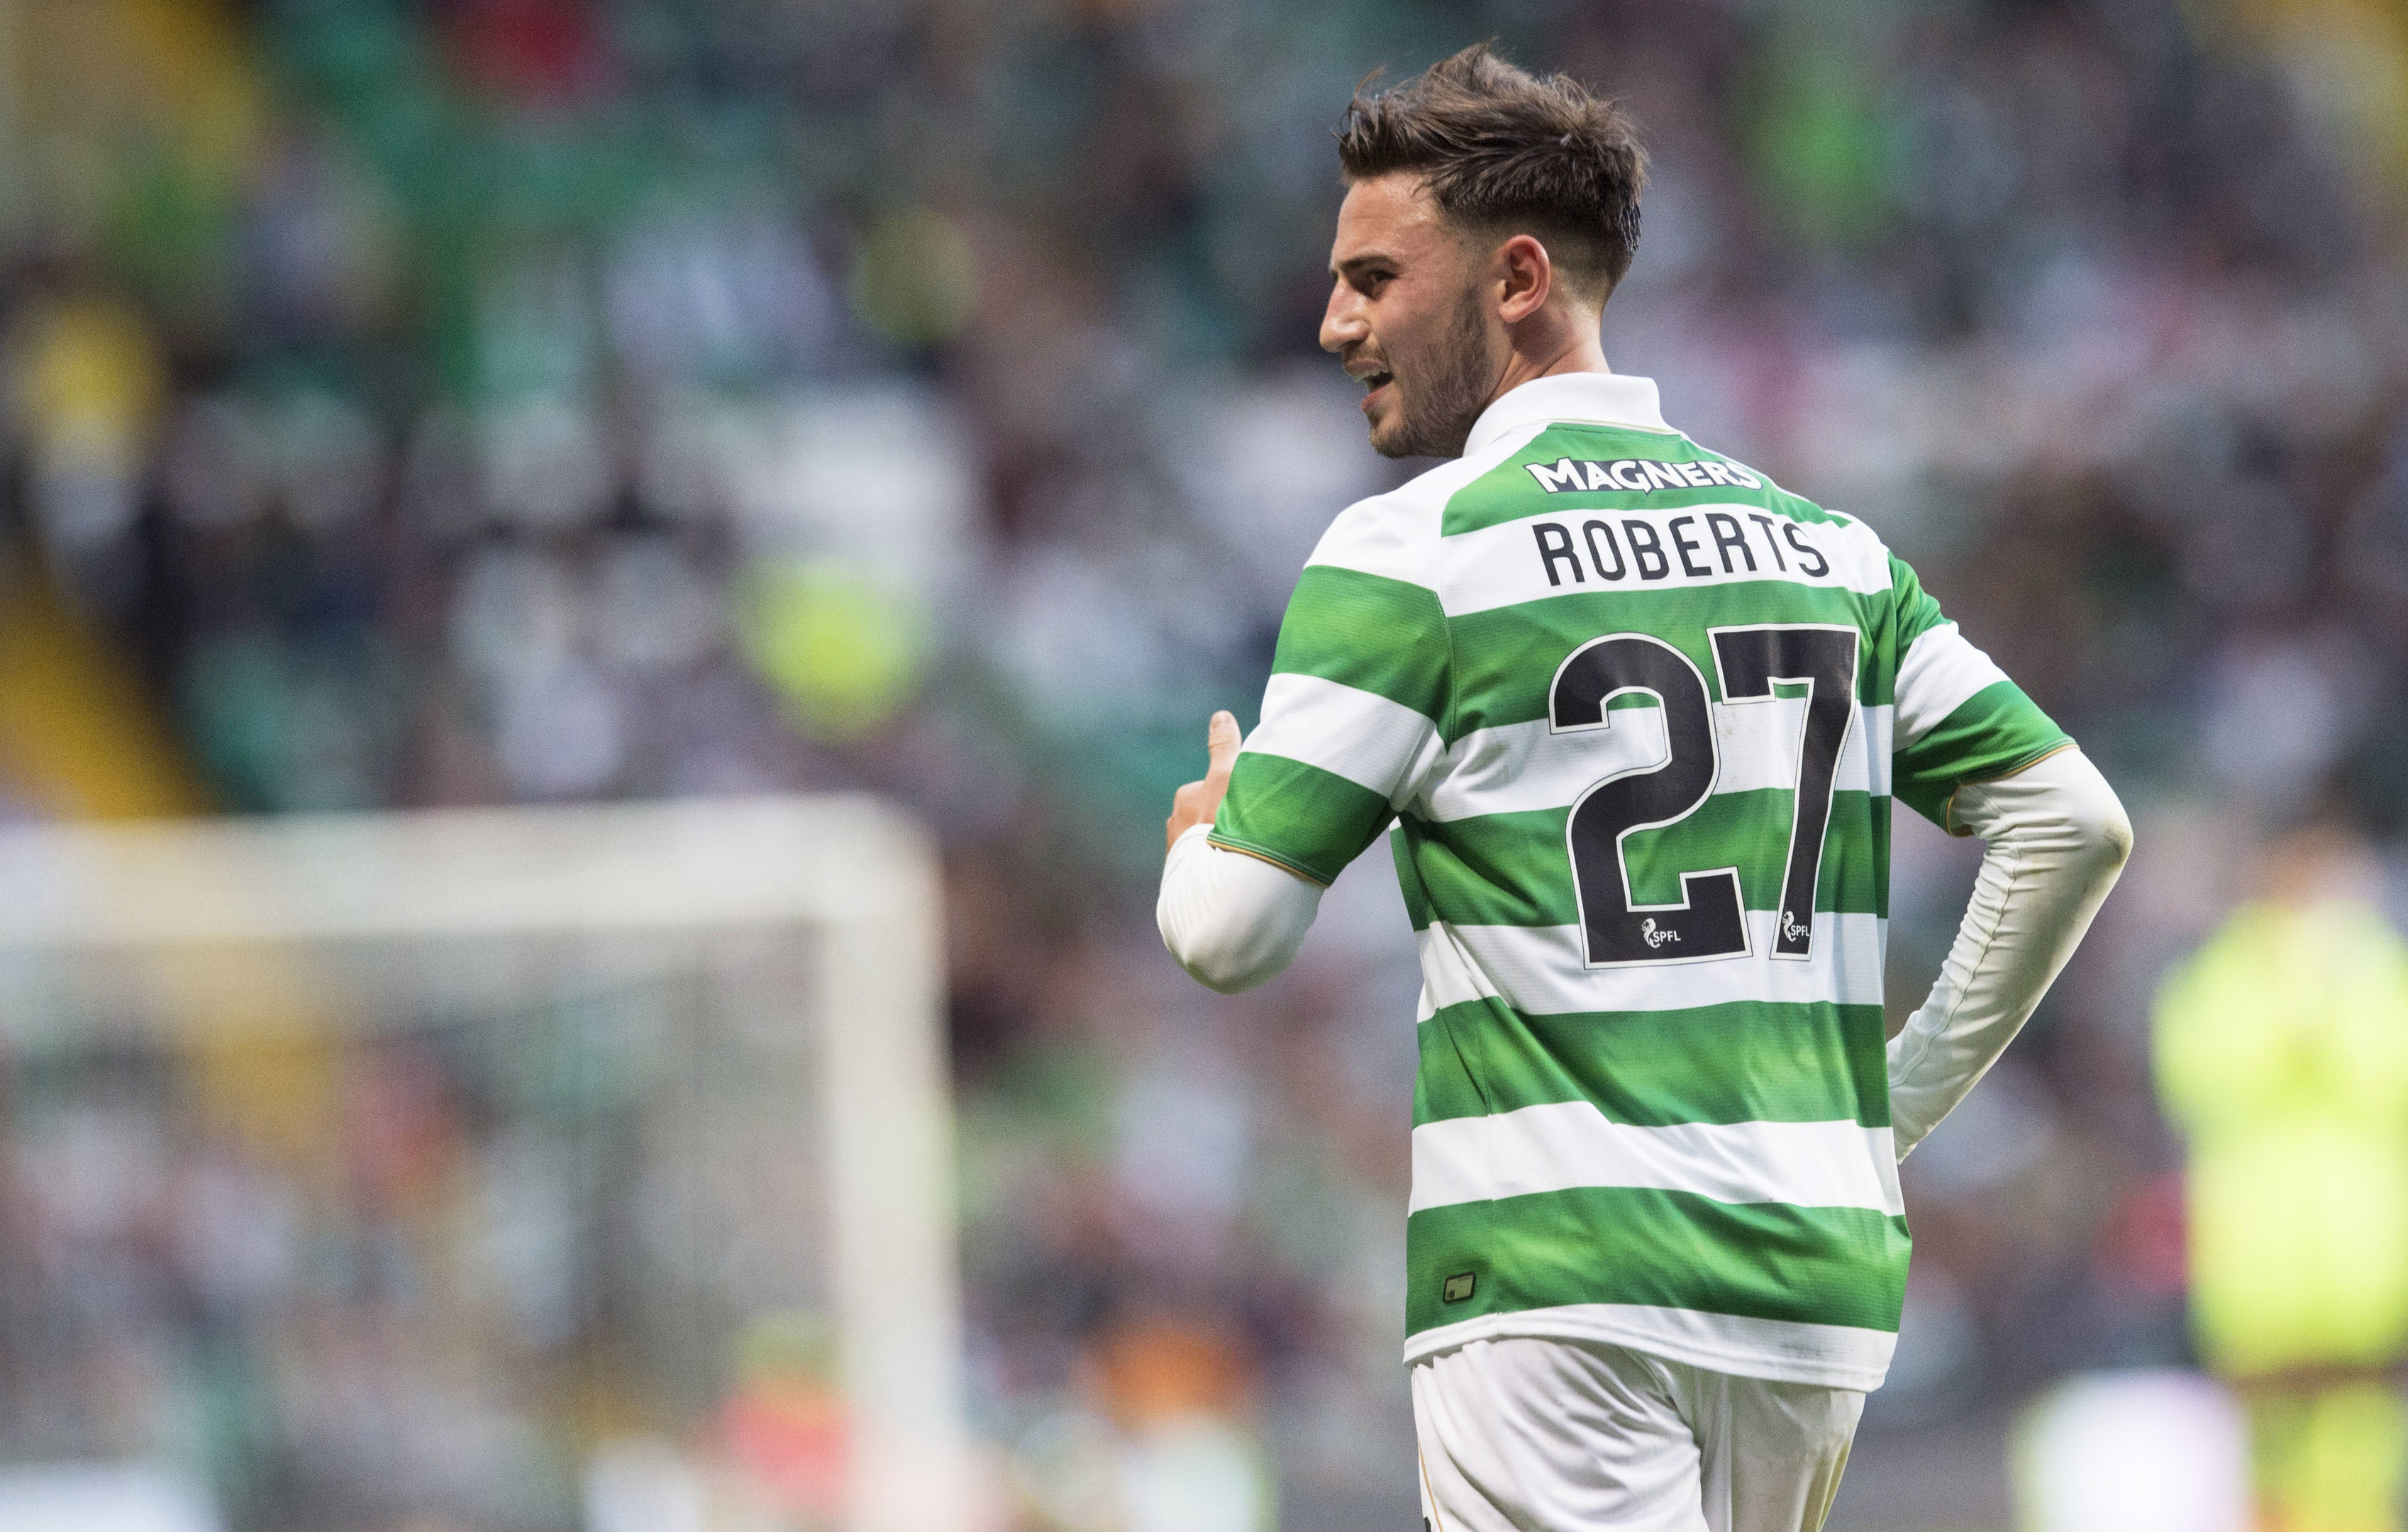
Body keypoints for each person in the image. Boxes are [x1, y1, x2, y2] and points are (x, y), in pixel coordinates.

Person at [1154, 44, 2134, 1532]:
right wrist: (1891, 1102)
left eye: (1371, 276)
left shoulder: (1411, 554)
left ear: (1516, 278)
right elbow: (2070, 821)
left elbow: (1227, 938)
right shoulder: (1827, 552)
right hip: (1810, 1282)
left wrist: (1194, 845)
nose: (1330, 319)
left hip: (1556, 1282)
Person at [2155, 823, 2408, 1532]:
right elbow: (2196, 1077)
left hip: (2361, 1251)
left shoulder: (2380, 968)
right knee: (2261, 1431)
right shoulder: (2222, 970)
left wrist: (2328, 1012)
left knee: (2359, 1425)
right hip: (2256, 1258)